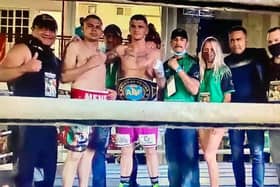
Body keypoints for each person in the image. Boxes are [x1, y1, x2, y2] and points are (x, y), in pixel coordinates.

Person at [0, 14, 60, 187]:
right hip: (26, 122)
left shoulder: (50, 56)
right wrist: (24, 68)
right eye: (42, 28)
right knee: (25, 174)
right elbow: (1, 73)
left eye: (51, 29)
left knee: (47, 173)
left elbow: (66, 74)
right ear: (33, 29)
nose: (47, 32)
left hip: (48, 122)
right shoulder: (23, 48)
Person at [107, 14, 166, 187]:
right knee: (126, 150)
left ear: (146, 29)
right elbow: (100, 59)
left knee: (150, 150)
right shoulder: (121, 50)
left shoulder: (154, 52)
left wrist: (160, 72)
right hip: (125, 107)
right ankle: (123, 184)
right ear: (130, 28)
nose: (136, 29)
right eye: (133, 26)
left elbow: (161, 84)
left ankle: (155, 184)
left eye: (140, 26)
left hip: (146, 108)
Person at [61, 14, 116, 187]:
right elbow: (64, 76)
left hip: (100, 103)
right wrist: (89, 64)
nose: (94, 29)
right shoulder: (75, 46)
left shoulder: (101, 51)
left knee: (89, 153)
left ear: (102, 30)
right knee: (75, 154)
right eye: (90, 25)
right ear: (83, 27)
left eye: (98, 26)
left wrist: (106, 91)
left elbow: (95, 79)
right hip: (80, 101)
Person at [91, 24, 139, 187]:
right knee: (99, 148)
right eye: (107, 36)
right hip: (102, 106)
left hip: (124, 105)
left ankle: (131, 182)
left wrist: (118, 93)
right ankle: (99, 184)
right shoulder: (99, 57)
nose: (110, 39)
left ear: (120, 38)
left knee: (128, 146)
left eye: (114, 36)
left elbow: (135, 83)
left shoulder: (127, 57)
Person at [225, 26, 269, 187]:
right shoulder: (226, 62)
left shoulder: (258, 55)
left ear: (246, 40)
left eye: (239, 39)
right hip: (234, 114)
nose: (236, 43)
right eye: (232, 40)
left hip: (255, 113)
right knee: (236, 155)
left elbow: (269, 78)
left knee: (257, 154)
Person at [163, 28, 200, 187]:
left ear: (187, 42)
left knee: (188, 159)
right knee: (172, 160)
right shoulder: (165, 65)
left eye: (182, 39)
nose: (178, 42)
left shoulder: (194, 63)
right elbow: (161, 89)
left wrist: (177, 68)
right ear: (171, 42)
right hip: (169, 117)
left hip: (187, 117)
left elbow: (194, 89)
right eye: (175, 39)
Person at [198, 36, 234, 187]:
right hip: (201, 118)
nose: (209, 52)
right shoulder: (200, 70)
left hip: (217, 118)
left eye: (212, 49)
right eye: (206, 49)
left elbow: (227, 97)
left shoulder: (224, 70)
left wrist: (219, 121)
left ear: (217, 51)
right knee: (208, 157)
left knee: (209, 155)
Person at [266, 26, 280, 183]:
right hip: (273, 119)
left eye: (277, 40)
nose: (273, 44)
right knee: (277, 159)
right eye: (270, 42)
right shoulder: (266, 65)